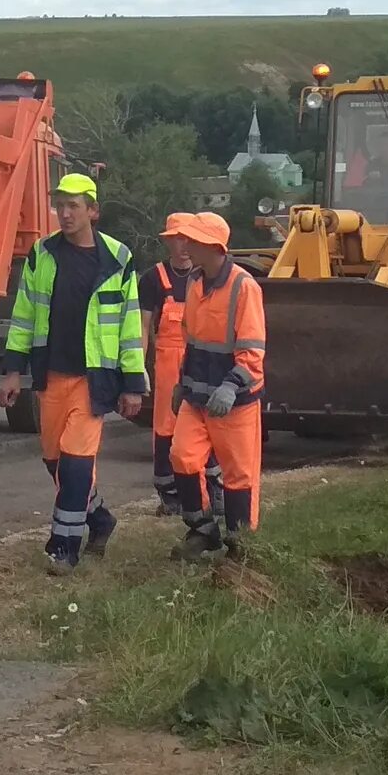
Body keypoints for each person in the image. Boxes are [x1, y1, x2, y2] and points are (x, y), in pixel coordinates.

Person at [0, 172, 148, 573]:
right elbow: (24, 315)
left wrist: (134, 384)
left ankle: (64, 547)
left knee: (78, 460)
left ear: (93, 211)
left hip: (92, 379)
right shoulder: (41, 254)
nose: (64, 213)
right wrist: (13, 371)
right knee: (55, 462)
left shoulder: (118, 259)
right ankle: (100, 519)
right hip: (52, 376)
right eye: (60, 205)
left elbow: (130, 329)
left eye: (73, 206)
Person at [165, 212, 266, 558]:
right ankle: (204, 530)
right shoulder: (195, 283)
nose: (185, 245)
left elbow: (252, 351)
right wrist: (181, 384)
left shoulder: (244, 287)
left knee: (239, 476)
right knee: (182, 457)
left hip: (234, 402)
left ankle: (241, 548)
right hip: (197, 397)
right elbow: (191, 340)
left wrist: (231, 385)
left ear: (212, 246)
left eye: (192, 240)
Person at [138, 214, 224, 516]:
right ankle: (169, 494)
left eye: (189, 239)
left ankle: (213, 490)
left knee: (204, 424)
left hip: (200, 359)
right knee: (165, 427)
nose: (184, 245)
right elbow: (143, 327)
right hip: (166, 361)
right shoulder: (153, 278)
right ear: (168, 241)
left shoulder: (206, 278)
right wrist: (138, 368)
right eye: (177, 238)